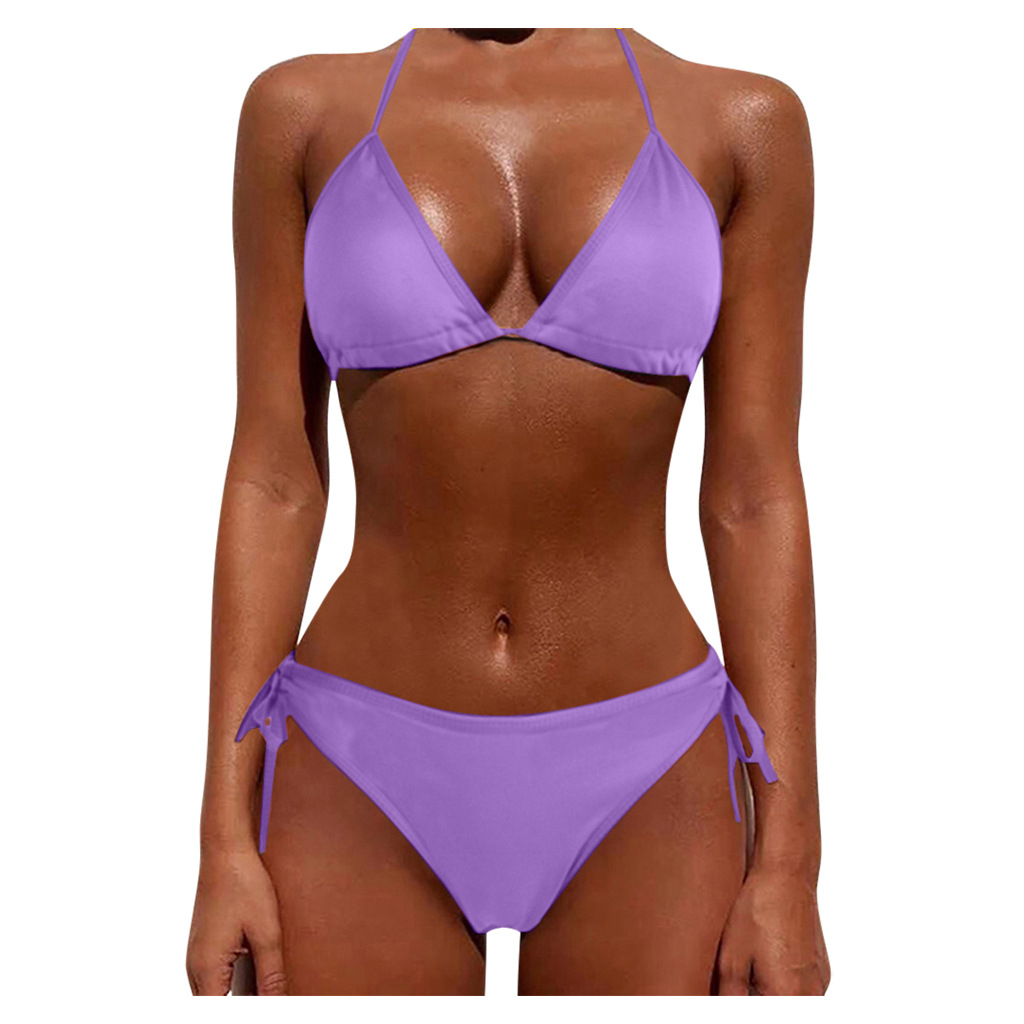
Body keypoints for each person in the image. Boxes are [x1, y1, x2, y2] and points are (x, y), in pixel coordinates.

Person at [186, 26, 827, 996]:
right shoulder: (303, 113)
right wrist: (221, 838)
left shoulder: (740, 122)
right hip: (358, 757)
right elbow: (274, 478)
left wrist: (792, 861)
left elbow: (754, 495)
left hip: (648, 762)